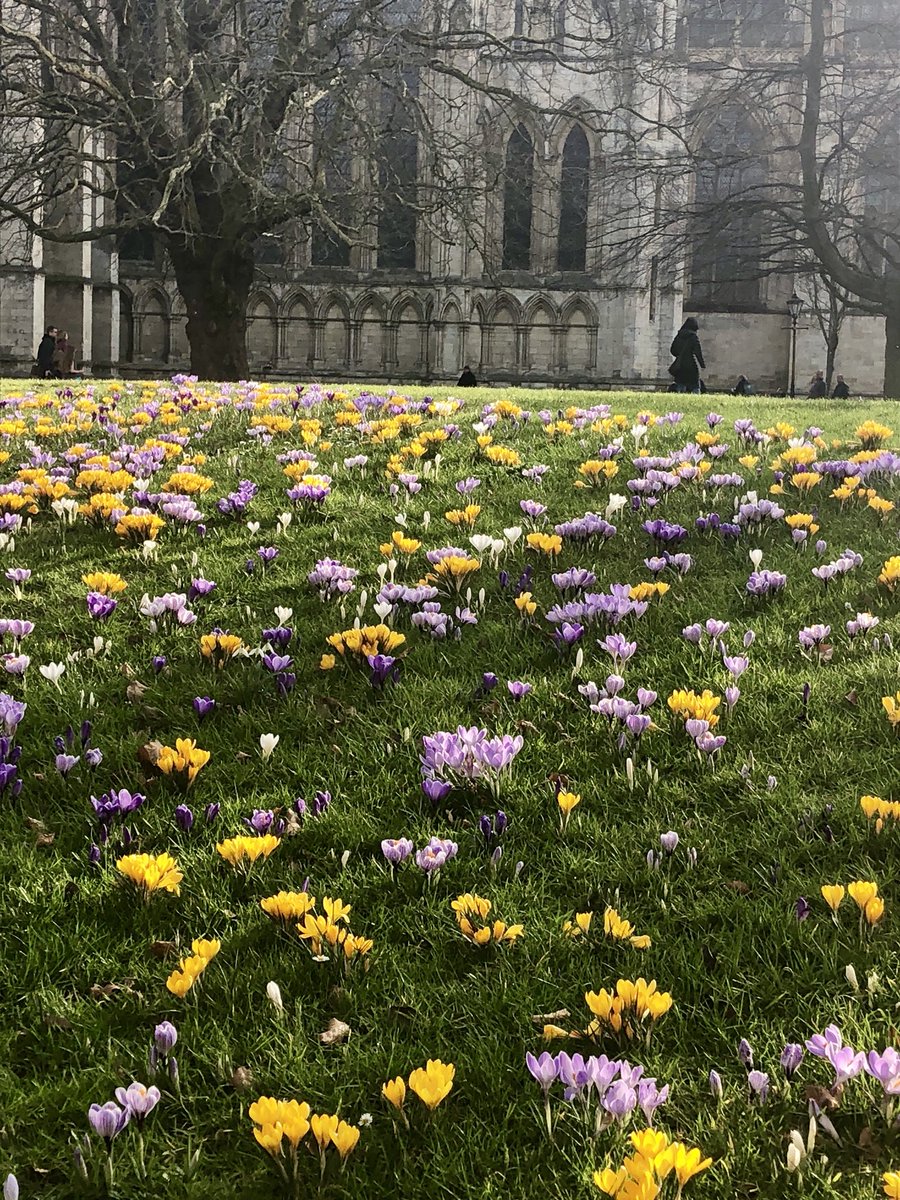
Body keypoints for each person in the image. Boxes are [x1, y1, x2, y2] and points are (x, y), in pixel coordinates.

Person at [668, 318, 705, 393]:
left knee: (680, 383)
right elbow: (698, 352)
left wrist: (680, 355)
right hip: (691, 365)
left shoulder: (679, 336)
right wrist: (702, 364)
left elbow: (673, 350)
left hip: (680, 365)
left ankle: (680, 394)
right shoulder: (693, 337)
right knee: (695, 384)